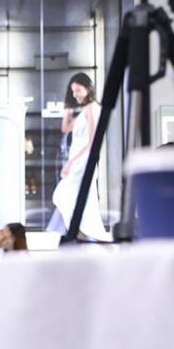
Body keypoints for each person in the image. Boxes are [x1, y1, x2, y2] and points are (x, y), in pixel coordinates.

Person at [49, 73, 112, 242]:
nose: (75, 94)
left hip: (82, 164)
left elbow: (92, 143)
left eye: (78, 90)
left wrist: (70, 162)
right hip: (79, 164)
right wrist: (68, 107)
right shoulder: (85, 110)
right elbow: (65, 127)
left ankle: (84, 234)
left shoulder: (93, 108)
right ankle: (81, 235)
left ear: (88, 88)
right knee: (74, 202)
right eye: (73, 91)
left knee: (64, 196)